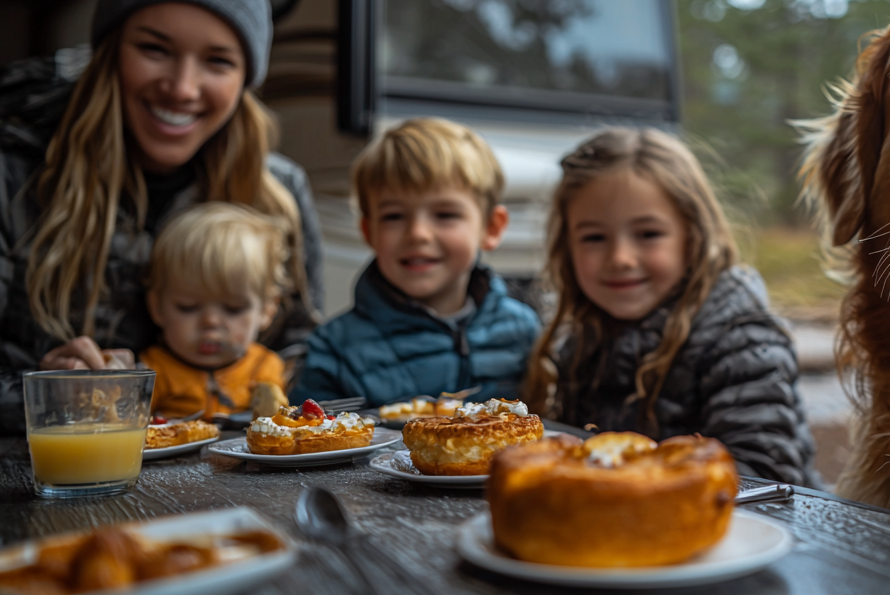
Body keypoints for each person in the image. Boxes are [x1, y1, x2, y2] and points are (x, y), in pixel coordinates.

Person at [0, 0, 322, 433]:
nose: (182, 87)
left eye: (218, 60)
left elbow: (303, 351)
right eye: (155, 49)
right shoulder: (15, 171)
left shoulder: (280, 192)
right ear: (110, 52)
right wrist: (46, 391)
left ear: (245, 79)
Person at [523, 128, 819, 486]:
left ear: (691, 236)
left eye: (648, 234)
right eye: (594, 238)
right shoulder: (583, 336)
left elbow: (766, 476)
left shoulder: (741, 335)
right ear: (567, 248)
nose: (620, 258)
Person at [294, 118, 540, 406]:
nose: (417, 234)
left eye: (445, 215)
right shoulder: (334, 349)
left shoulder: (523, 331)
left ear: (491, 228)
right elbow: (311, 444)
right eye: (394, 216)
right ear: (368, 231)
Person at [142, 203, 291, 420]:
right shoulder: (151, 372)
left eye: (233, 309)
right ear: (156, 307)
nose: (210, 322)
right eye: (188, 307)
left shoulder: (265, 368)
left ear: (267, 310)